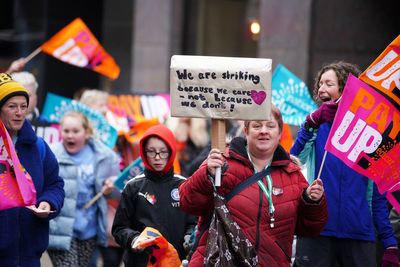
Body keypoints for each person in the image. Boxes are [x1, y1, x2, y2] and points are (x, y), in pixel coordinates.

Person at [179, 105, 328, 267]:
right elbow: (187, 202)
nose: (264, 131)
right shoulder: (221, 164)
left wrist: (312, 202)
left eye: (270, 126)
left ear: (279, 133)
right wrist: (206, 175)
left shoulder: (293, 175)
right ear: (246, 130)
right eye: (257, 125)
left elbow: (309, 229)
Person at [290, 61, 398, 267]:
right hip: (317, 232)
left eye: (328, 84)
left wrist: (389, 243)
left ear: (347, 88)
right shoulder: (316, 125)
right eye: (320, 84)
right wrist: (311, 122)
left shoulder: (369, 133)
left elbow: (377, 198)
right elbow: (293, 160)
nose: (321, 88)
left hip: (359, 238)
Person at [0, 73, 65, 267]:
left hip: (30, 256)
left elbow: (56, 185)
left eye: (23, 106)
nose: (19, 112)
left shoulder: (40, 147)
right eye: (12, 106)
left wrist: (48, 203)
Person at [112, 124, 196, 266]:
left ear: (171, 151)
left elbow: (193, 221)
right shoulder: (133, 186)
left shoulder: (184, 185)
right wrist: (134, 239)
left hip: (176, 261)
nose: (157, 157)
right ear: (144, 153)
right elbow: (119, 228)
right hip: (141, 262)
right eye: (151, 152)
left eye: (163, 152)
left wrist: (190, 236)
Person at [47, 111, 120, 266]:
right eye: (66, 131)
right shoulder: (51, 154)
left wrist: (110, 186)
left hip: (89, 230)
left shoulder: (103, 156)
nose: (70, 136)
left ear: (86, 133)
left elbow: (117, 190)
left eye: (75, 131)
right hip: (61, 230)